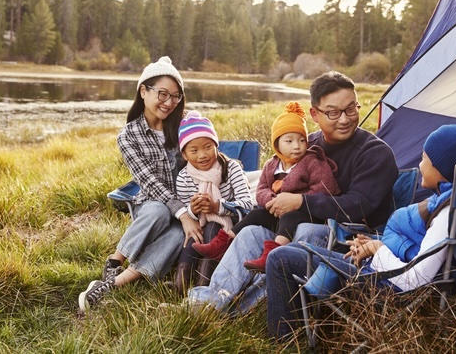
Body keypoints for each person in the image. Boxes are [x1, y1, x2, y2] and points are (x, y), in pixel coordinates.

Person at [186, 70, 398, 315]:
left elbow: (358, 206)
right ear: (315, 114)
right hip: (292, 224)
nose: (344, 119)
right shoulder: (305, 143)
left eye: (351, 109)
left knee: (304, 232)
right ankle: (210, 302)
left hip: (349, 237)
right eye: (333, 112)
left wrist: (300, 201)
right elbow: (277, 180)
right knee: (252, 232)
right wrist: (274, 200)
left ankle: (240, 312)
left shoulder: (374, 153)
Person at [266, 124, 456, 341]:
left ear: (442, 169)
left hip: (384, 287)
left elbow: (415, 279)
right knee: (295, 250)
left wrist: (378, 249)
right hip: (382, 273)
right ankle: (308, 333)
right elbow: (418, 251)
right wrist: (372, 243)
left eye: (424, 159)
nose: (420, 165)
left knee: (280, 258)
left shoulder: (445, 216)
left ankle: (283, 341)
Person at [78, 56, 200, 312]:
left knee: (181, 235)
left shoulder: (185, 124)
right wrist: (181, 213)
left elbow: (206, 154)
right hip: (151, 205)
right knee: (159, 210)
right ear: (143, 91)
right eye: (162, 94)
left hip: (188, 205)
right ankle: (115, 261)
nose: (169, 102)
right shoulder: (128, 136)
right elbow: (149, 182)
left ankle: (114, 284)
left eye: (175, 96)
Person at [191, 101, 339, 273]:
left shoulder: (312, 162)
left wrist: (298, 200)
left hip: (305, 213)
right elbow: (261, 189)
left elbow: (325, 188)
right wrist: (272, 200)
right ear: (277, 144)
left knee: (289, 217)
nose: (297, 146)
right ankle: (223, 242)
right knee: (255, 214)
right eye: (289, 141)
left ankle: (272, 253)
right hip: (277, 211)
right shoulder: (272, 165)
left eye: (302, 140)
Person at [170, 110, 254, 294]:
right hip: (200, 225)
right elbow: (187, 213)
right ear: (184, 155)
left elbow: (248, 206)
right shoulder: (184, 177)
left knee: (212, 227)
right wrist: (193, 210)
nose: (202, 155)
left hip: (231, 226)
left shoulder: (231, 168)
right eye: (194, 150)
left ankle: (204, 283)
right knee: (194, 234)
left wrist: (217, 207)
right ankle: (181, 282)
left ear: (216, 145)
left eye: (207, 147)